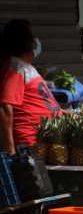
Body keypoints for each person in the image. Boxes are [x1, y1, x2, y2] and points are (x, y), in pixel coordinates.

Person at [0, 19, 60, 155]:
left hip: (45, 141)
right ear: (25, 42)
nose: (35, 41)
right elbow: (4, 108)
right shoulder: (15, 68)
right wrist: (11, 151)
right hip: (31, 144)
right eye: (31, 36)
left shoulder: (24, 67)